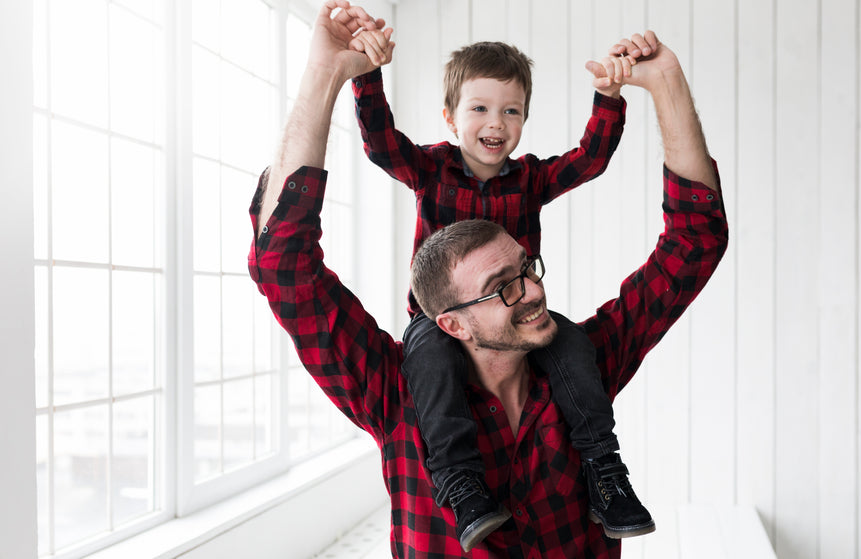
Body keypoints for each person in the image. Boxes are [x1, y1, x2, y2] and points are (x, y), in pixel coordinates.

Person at [248, 1, 727, 556]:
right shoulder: (399, 396)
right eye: (505, 286)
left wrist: (658, 82)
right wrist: (337, 75)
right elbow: (284, 262)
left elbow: (694, 241)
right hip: (427, 346)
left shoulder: (579, 370)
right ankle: (462, 486)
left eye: (529, 268)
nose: (536, 292)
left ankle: (607, 473)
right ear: (451, 319)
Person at [347, 15, 654, 551]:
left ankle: (606, 472)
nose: (497, 121)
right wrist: (368, 76)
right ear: (450, 118)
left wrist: (608, 96)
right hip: (440, 323)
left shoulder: (530, 179)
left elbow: (591, 160)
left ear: (524, 120)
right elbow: (379, 144)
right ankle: (461, 484)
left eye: (511, 111)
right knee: (432, 375)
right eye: (480, 108)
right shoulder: (430, 170)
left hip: (518, 316)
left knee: (573, 349)